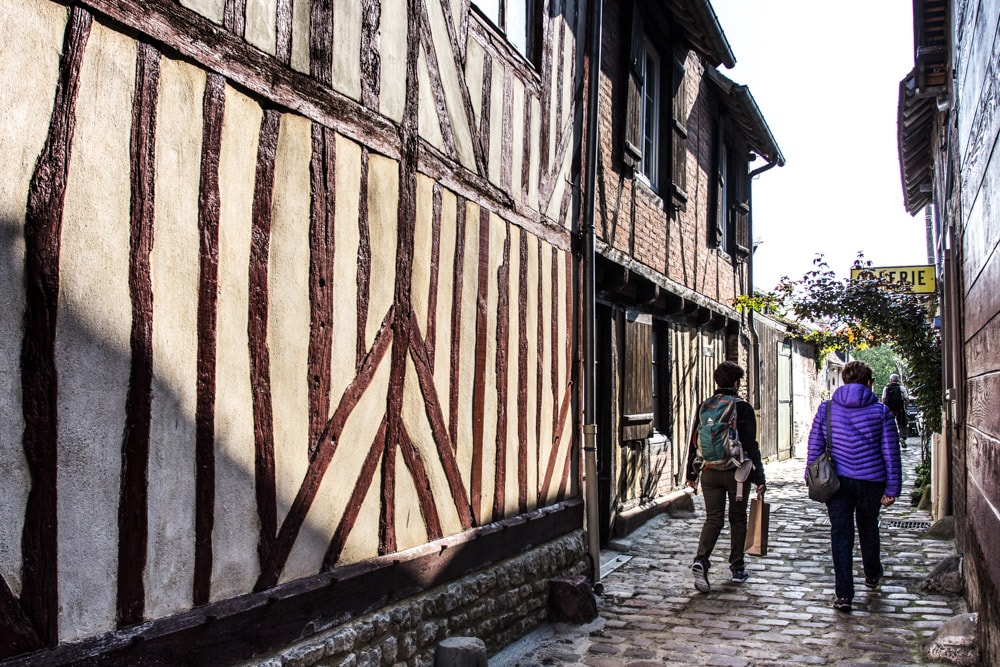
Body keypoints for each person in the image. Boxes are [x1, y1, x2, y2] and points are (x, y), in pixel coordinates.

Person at [806, 360, 902, 613]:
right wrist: (892, 489)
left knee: (841, 534)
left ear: (845, 381)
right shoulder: (881, 412)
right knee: (868, 526)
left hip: (836, 482)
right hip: (872, 481)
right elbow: (891, 453)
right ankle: (871, 574)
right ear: (869, 383)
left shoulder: (826, 410)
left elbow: (815, 447)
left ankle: (844, 595)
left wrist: (811, 476)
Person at [685, 361, 766, 593]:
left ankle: (701, 559)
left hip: (709, 472)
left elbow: (694, 441)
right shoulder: (743, 408)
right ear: (737, 382)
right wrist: (760, 477)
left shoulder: (705, 406)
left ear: (717, 381)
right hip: (737, 474)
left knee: (713, 519)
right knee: (737, 519)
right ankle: (737, 567)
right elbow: (751, 445)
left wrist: (692, 474)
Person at [881, 373, 910, 449]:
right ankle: (902, 437)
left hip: (889, 409)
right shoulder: (901, 388)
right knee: (901, 423)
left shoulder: (886, 388)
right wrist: (906, 407)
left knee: (889, 424)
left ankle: (890, 439)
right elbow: (907, 399)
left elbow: (883, 400)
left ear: (890, 380)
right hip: (899, 409)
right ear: (897, 380)